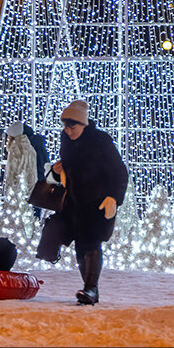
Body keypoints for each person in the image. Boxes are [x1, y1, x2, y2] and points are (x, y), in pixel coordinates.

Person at [54, 100, 128, 305]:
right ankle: (89, 288)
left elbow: (120, 172)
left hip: (98, 202)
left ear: (83, 124)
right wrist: (57, 171)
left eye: (72, 126)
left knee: (92, 243)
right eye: (65, 126)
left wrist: (114, 197)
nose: (68, 131)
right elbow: (67, 169)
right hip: (75, 203)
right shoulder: (66, 140)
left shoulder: (100, 141)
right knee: (80, 247)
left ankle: (91, 289)